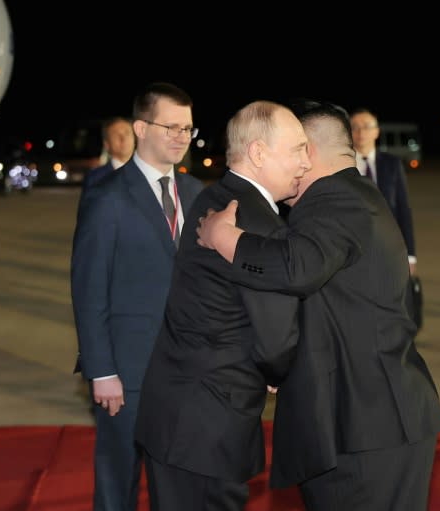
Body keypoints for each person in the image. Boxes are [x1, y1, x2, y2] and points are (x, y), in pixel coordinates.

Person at [196, 100, 440, 511]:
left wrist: (222, 236)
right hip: (377, 421)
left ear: (308, 151)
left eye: (294, 149)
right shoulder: (356, 195)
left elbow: (295, 268)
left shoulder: (336, 200)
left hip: (366, 429)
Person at [134, 100, 309, 511]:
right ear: (259, 153)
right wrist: (279, 370)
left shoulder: (214, 198)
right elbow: (276, 337)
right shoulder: (259, 225)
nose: (306, 161)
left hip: (179, 412)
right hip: (208, 425)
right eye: (298, 148)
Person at [70, 82, 204, 511]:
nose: (182, 137)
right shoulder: (107, 197)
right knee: (118, 480)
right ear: (141, 128)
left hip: (187, 370)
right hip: (127, 373)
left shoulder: (197, 192)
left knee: (180, 482)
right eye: (172, 127)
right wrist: (102, 369)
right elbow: (88, 290)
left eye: (188, 128)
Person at [349, 108, 417, 275]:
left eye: (366, 126)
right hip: (351, 249)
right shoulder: (342, 165)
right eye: (355, 126)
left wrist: (410, 255)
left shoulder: (392, 164)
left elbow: (403, 210)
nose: (360, 132)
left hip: (387, 247)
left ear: (376, 132)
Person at [83, 116, 136, 188]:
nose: (123, 138)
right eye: (116, 135)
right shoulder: (96, 178)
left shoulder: (148, 173)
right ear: (107, 144)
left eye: (127, 133)